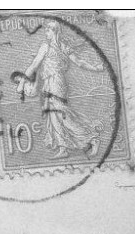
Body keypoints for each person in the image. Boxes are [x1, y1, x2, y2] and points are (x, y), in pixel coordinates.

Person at [18, 20, 105, 159]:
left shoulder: (48, 47)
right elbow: (35, 65)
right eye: (46, 30)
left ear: (55, 31)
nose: (46, 33)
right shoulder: (59, 46)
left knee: (62, 116)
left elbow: (35, 65)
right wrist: (23, 81)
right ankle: (63, 148)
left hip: (56, 83)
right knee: (53, 117)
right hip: (49, 83)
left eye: (48, 30)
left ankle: (92, 138)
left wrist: (96, 68)